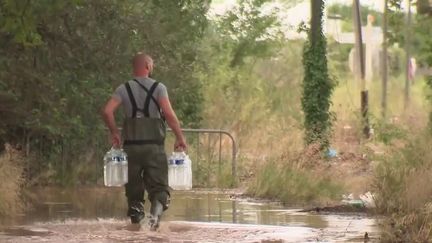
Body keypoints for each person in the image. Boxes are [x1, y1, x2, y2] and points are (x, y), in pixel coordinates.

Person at [101, 52, 187, 230]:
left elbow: (107, 111)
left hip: (131, 149)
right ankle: (154, 219)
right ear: (147, 66)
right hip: (154, 148)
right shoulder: (159, 88)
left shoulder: (123, 89)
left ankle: (137, 231)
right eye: (152, 64)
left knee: (133, 194)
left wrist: (115, 132)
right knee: (160, 190)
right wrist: (180, 137)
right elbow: (169, 115)